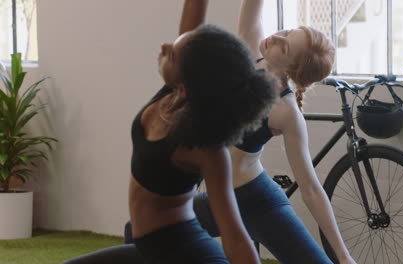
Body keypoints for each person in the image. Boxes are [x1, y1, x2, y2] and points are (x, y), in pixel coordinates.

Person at [62, 0, 276, 263]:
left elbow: (234, 234)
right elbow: (193, 15)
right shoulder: (176, 93)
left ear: (188, 84)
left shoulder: (207, 149)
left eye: (172, 55)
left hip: (184, 253)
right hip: (147, 249)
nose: (164, 47)